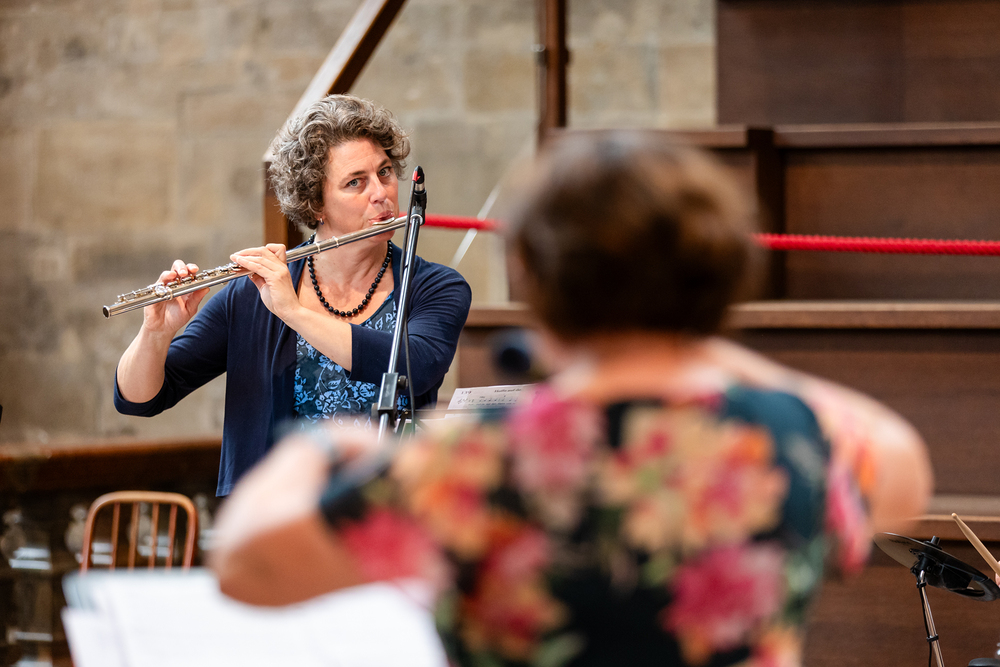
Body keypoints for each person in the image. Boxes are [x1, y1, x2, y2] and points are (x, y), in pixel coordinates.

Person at [209, 131, 932, 667]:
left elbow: (246, 567)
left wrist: (325, 445)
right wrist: (697, 334)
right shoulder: (790, 437)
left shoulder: (469, 461)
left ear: (531, 272)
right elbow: (904, 473)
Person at [114, 95, 472, 496]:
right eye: (355, 182)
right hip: (276, 519)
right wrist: (156, 333)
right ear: (316, 204)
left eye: (385, 172)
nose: (381, 193)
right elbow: (139, 400)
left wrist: (294, 312)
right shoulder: (250, 296)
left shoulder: (436, 287)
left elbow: (416, 366)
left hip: (390, 516)